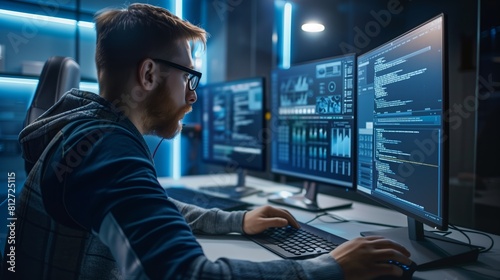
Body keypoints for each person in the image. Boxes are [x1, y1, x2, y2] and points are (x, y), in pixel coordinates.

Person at [5, 3, 412, 279]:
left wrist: (236, 221)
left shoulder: (86, 130)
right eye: (188, 78)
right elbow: (190, 274)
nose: (193, 96)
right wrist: (330, 267)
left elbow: (150, 204)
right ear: (148, 75)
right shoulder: (108, 152)